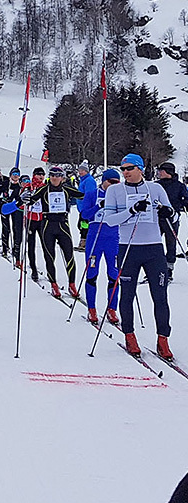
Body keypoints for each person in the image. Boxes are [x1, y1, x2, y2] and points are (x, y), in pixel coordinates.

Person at [100, 153, 174, 359]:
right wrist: (132, 210)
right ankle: (130, 336)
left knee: (160, 296)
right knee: (127, 294)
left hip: (153, 249)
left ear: (140, 168)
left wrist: (168, 212)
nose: (125, 173)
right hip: (128, 248)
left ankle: (163, 339)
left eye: (129, 168)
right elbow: (110, 220)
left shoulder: (155, 188)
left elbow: (173, 213)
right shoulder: (115, 190)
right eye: (123, 169)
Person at [29, 165, 84, 297]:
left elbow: (82, 195)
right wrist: (24, 198)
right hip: (48, 224)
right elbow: (31, 200)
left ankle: (72, 284)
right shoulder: (43, 189)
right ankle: (53, 284)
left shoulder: (66, 188)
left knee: (69, 255)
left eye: (58, 175)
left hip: (63, 224)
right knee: (49, 255)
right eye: (52, 175)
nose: (55, 178)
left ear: (62, 177)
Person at [81, 168, 121, 324]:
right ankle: (92, 308)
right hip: (95, 238)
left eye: (117, 182)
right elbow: (85, 215)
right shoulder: (92, 194)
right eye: (111, 181)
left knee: (114, 274)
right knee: (92, 273)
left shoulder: (119, 196)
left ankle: (112, 309)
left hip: (113, 239)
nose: (113, 185)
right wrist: (100, 206)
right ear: (104, 180)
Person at [156, 162, 188, 281]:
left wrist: (184, 204)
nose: (159, 173)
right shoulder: (156, 185)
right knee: (155, 244)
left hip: (172, 219)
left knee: (171, 244)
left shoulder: (179, 186)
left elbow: (185, 199)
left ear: (168, 172)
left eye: (161, 170)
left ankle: (169, 269)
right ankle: (156, 267)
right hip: (156, 219)